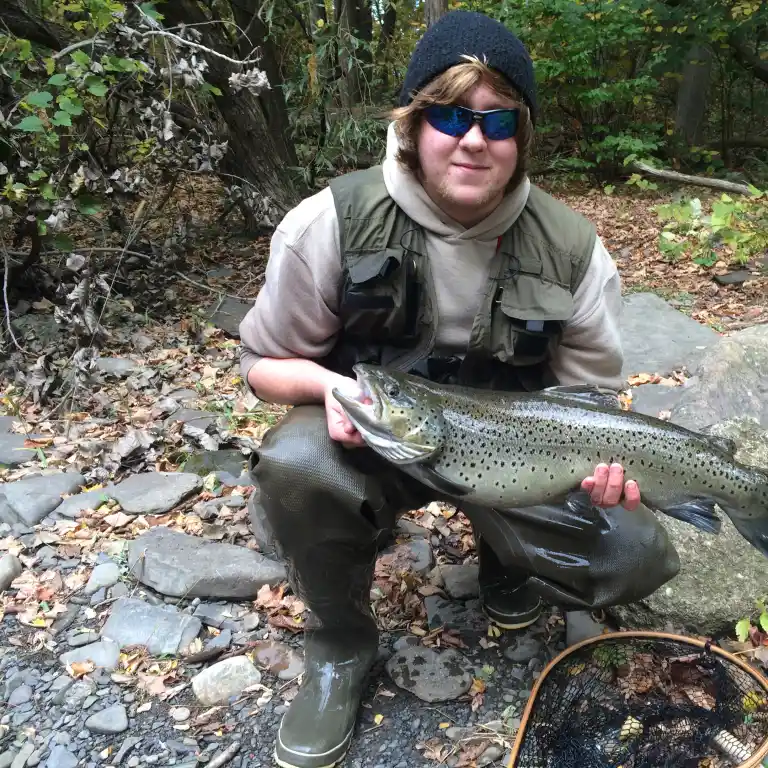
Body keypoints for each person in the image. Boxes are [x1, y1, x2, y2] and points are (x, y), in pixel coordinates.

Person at [239, 11, 680, 768]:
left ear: (521, 135)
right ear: (413, 124)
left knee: (634, 550)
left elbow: (592, 405)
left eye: (497, 119)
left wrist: (606, 479)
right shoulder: (329, 222)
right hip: (379, 441)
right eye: (449, 114)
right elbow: (262, 366)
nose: (473, 139)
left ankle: (507, 562)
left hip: (523, 459)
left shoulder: (573, 249)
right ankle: (340, 644)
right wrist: (329, 388)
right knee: (295, 462)